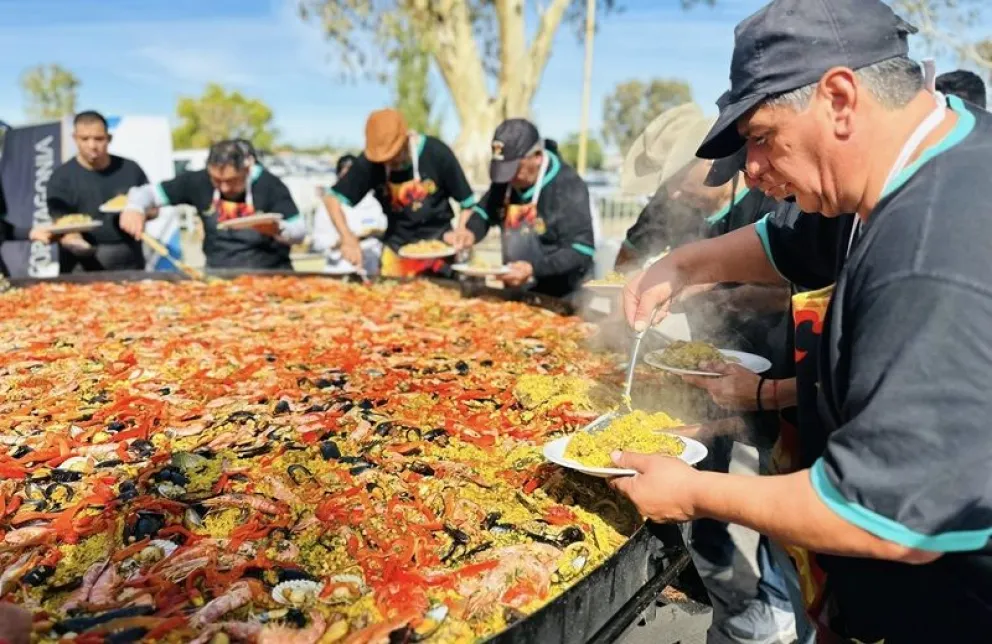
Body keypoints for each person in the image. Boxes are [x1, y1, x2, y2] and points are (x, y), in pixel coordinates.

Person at [615, 0, 992, 640]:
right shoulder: (909, 154)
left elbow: (885, 518)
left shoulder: (931, 252)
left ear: (840, 98)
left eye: (761, 136)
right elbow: (794, 240)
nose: (753, 169)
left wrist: (695, 493)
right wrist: (684, 264)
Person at [445, 119, 595, 298]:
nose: (507, 178)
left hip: (564, 293)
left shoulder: (568, 186)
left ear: (537, 157)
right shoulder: (506, 181)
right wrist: (469, 232)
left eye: (514, 169)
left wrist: (533, 268)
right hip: (515, 289)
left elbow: (581, 250)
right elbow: (484, 212)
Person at [321, 109, 478, 278]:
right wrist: (347, 237)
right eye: (384, 159)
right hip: (396, 249)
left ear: (405, 139)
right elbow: (331, 199)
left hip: (439, 248)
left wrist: (461, 231)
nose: (389, 161)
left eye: (393, 154)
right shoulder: (370, 162)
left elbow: (467, 203)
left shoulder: (436, 153)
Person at [121, 140, 305, 270]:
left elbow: (299, 231)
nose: (224, 187)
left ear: (247, 169)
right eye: (217, 180)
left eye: (232, 180)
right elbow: (148, 193)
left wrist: (278, 229)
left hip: (270, 274)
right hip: (218, 274)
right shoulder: (198, 180)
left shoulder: (270, 185)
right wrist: (135, 208)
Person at [28, 111, 149, 272]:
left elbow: (154, 207)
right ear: (75, 138)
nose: (92, 145)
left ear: (109, 138)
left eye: (99, 139)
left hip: (129, 258)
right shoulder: (61, 177)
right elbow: (62, 222)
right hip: (81, 263)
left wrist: (140, 211)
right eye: (84, 139)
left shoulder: (130, 169)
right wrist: (73, 240)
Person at [311, 154, 387, 275]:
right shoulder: (327, 205)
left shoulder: (374, 203)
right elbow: (318, 243)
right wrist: (343, 240)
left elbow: (384, 229)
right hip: (338, 270)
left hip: (370, 269)